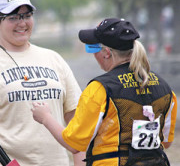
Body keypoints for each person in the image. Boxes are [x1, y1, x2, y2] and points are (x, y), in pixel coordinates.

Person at [0, 0, 82, 165]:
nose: (22, 23)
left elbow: (77, 122)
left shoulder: (54, 58)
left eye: (26, 15)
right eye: (13, 17)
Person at [31, 18, 178, 166]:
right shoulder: (165, 88)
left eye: (93, 48)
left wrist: (45, 117)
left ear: (107, 52)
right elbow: (166, 142)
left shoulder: (100, 89)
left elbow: (74, 144)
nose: (93, 55)